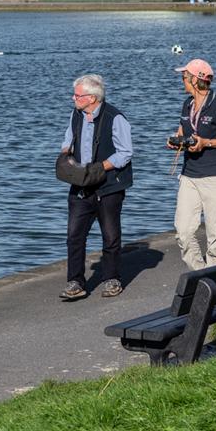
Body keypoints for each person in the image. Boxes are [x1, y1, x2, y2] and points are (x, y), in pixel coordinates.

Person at [59, 75, 133, 301]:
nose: (74, 98)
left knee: (110, 235)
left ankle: (112, 279)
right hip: (81, 185)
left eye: (78, 95)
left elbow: (125, 153)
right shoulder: (76, 114)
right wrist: (66, 160)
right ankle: (76, 282)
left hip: (108, 185)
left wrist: (100, 168)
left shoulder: (115, 117)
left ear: (92, 98)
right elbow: (67, 142)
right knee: (74, 235)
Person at [168, 59, 216, 270]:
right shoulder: (187, 104)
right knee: (183, 232)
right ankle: (202, 275)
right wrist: (176, 140)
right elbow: (184, 130)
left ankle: (213, 278)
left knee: (214, 235)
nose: (182, 80)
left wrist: (206, 143)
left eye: (184, 76)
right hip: (189, 176)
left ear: (195, 79)